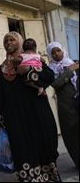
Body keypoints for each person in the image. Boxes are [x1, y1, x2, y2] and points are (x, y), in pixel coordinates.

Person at [0, 31, 61, 182]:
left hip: (38, 115)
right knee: (22, 154)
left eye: (12, 40)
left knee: (44, 151)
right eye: (6, 41)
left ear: (20, 42)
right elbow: (2, 95)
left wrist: (29, 71)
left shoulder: (33, 60)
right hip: (16, 121)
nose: (9, 43)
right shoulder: (1, 70)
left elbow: (49, 76)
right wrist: (0, 118)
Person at [47, 41, 79, 169]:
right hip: (67, 106)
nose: (56, 54)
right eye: (53, 52)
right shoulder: (51, 69)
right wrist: (69, 71)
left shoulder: (72, 62)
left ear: (62, 50)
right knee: (72, 134)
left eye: (58, 50)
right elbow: (56, 84)